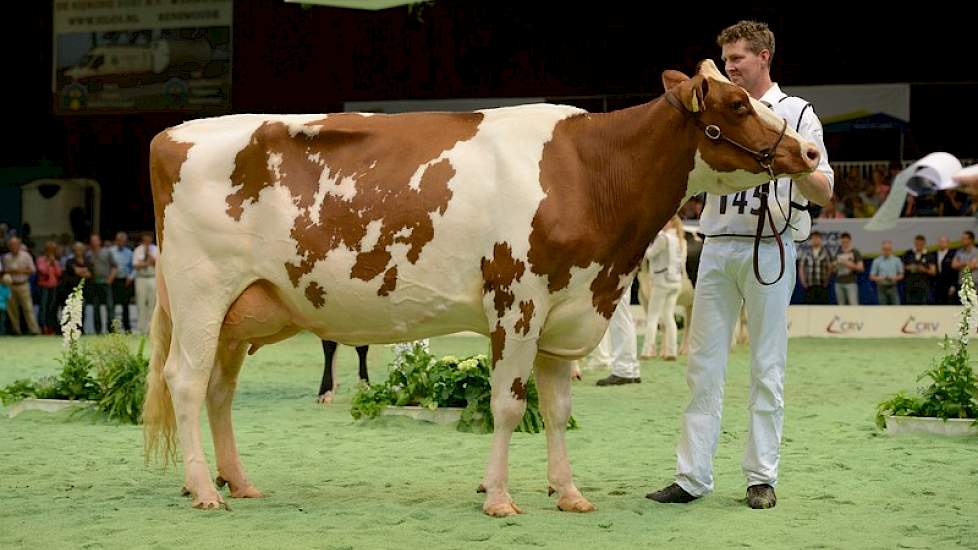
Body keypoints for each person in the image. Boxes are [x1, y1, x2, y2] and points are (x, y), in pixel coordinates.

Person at [647, 20, 833, 509]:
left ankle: (761, 476)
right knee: (703, 365)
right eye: (726, 60)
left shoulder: (796, 114)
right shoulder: (712, 109)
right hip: (717, 244)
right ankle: (691, 475)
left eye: (738, 59)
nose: (729, 66)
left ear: (764, 57)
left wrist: (800, 163)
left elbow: (825, 190)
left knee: (767, 366)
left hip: (771, 246)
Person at [640, 216, 686, 360]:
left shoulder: (663, 238)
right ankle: (672, 351)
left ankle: (647, 351)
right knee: (668, 316)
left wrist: (646, 245)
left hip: (662, 281)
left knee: (653, 316)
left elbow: (649, 254)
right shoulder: (680, 239)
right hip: (676, 281)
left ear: (672, 223)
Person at [1, 236, 41, 335]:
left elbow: (33, 270)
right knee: (12, 309)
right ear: (9, 246)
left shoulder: (26, 256)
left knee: (28, 308)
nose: (13, 247)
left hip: (23, 285)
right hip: (11, 285)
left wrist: (21, 271)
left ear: (19, 245)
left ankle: (34, 330)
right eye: (11, 245)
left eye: (15, 244)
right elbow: (3, 271)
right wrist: (12, 271)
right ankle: (16, 330)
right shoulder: (6, 257)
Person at [132, 232, 159, 334]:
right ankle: (141, 328)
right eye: (145, 240)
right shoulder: (138, 250)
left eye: (149, 240)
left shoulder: (156, 249)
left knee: (153, 303)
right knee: (141, 303)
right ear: (143, 240)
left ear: (151, 240)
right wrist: (147, 263)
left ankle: (151, 329)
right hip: (141, 278)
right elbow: (135, 265)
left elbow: (158, 264)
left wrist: (150, 259)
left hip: (153, 277)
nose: (147, 241)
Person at [35, 241, 64, 335]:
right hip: (44, 287)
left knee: (51, 307)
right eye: (49, 250)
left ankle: (50, 326)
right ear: (46, 250)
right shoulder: (40, 260)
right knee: (43, 307)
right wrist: (48, 263)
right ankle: (42, 327)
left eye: (53, 250)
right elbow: (42, 271)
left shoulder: (56, 262)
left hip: (53, 287)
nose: (51, 252)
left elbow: (59, 273)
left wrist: (54, 264)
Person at [109, 231, 134, 331]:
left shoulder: (129, 252)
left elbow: (133, 267)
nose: (121, 242)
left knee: (125, 305)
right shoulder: (110, 251)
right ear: (116, 241)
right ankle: (113, 328)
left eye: (123, 241)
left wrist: (130, 277)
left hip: (125, 281)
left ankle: (127, 328)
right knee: (112, 304)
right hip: (113, 280)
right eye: (119, 240)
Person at [798, 231, 832, 304]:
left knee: (822, 307)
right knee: (809, 306)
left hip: (822, 285)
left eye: (817, 238)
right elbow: (801, 268)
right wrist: (803, 281)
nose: (815, 240)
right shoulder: (806, 252)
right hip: (809, 285)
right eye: (813, 238)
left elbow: (829, 268)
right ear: (811, 240)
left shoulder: (825, 252)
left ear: (821, 240)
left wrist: (826, 281)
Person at [901, 235, 936, 305]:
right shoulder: (908, 254)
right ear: (914, 243)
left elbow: (933, 272)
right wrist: (910, 267)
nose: (919, 245)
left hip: (923, 286)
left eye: (921, 244)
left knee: (923, 308)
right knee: (910, 308)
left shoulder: (929, 255)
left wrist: (924, 270)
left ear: (924, 244)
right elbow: (901, 268)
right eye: (917, 243)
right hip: (910, 286)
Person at [832, 232, 863, 305]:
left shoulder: (855, 252)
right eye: (843, 242)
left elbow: (861, 268)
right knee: (841, 305)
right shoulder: (837, 252)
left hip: (851, 283)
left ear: (850, 241)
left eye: (846, 242)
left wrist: (848, 264)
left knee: (853, 304)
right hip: (839, 283)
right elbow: (833, 270)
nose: (845, 243)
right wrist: (835, 265)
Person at [869, 240, 904, 305]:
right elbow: (871, 277)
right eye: (885, 249)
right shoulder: (877, 261)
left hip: (893, 287)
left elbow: (901, 275)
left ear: (891, 250)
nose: (886, 251)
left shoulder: (897, 260)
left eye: (888, 249)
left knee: (897, 308)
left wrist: (895, 278)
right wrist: (880, 278)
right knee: (883, 309)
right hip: (881, 287)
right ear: (882, 250)